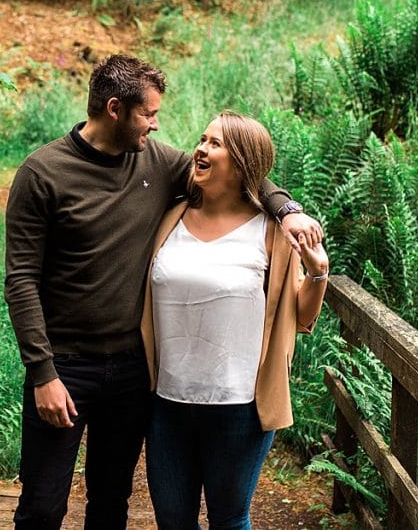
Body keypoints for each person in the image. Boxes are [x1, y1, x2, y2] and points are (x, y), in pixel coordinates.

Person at [4, 56, 323, 529]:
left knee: (111, 500)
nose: (156, 124)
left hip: (133, 372)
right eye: (148, 114)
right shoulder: (43, 173)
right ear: (115, 109)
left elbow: (246, 170)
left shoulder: (157, 162)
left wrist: (287, 209)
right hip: (66, 366)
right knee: (42, 505)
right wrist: (42, 372)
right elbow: (21, 280)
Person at [140, 111, 330, 530]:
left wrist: (318, 272)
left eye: (216, 144)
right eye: (203, 138)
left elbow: (300, 316)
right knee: (172, 519)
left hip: (239, 405)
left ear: (242, 162)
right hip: (167, 401)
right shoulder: (168, 217)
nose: (201, 149)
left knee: (228, 519)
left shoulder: (273, 233)